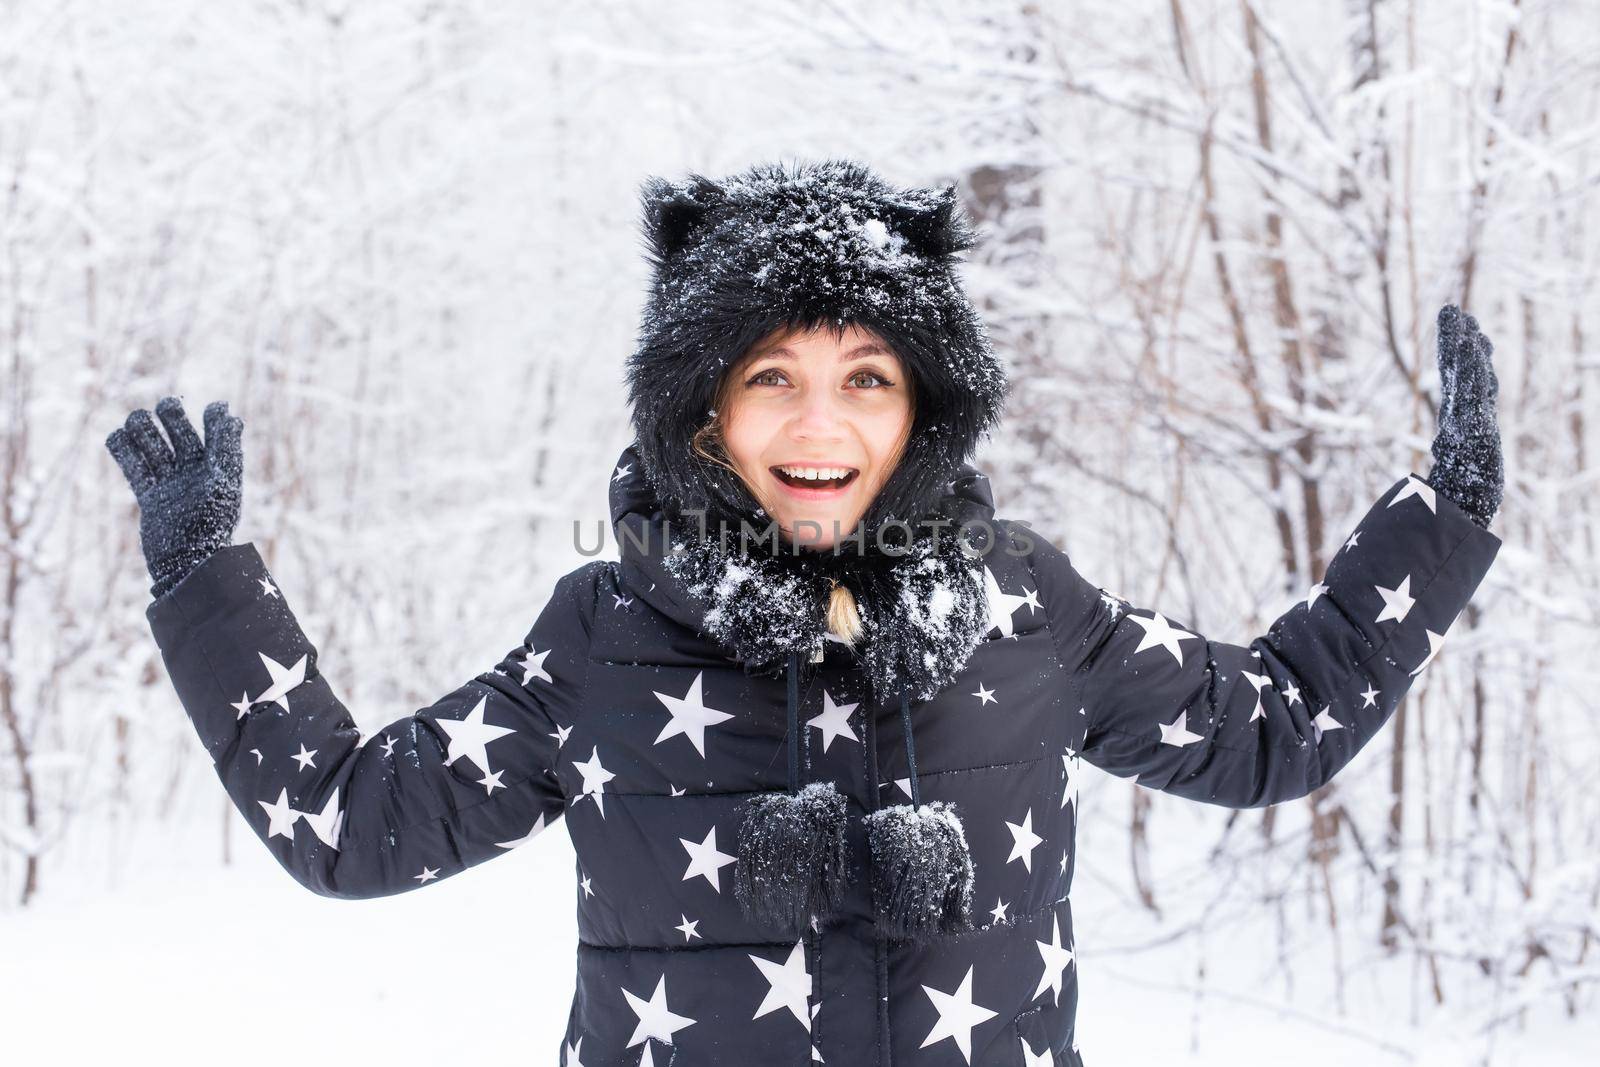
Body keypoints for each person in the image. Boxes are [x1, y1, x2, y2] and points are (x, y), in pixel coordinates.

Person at [106, 158, 1503, 1066]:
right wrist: (205, 585)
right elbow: (354, 828)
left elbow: (1273, 730)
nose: (819, 422)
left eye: (868, 378)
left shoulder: (1026, 606)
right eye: (769, 375)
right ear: (701, 408)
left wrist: (1439, 529)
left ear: (927, 409)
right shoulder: (601, 636)